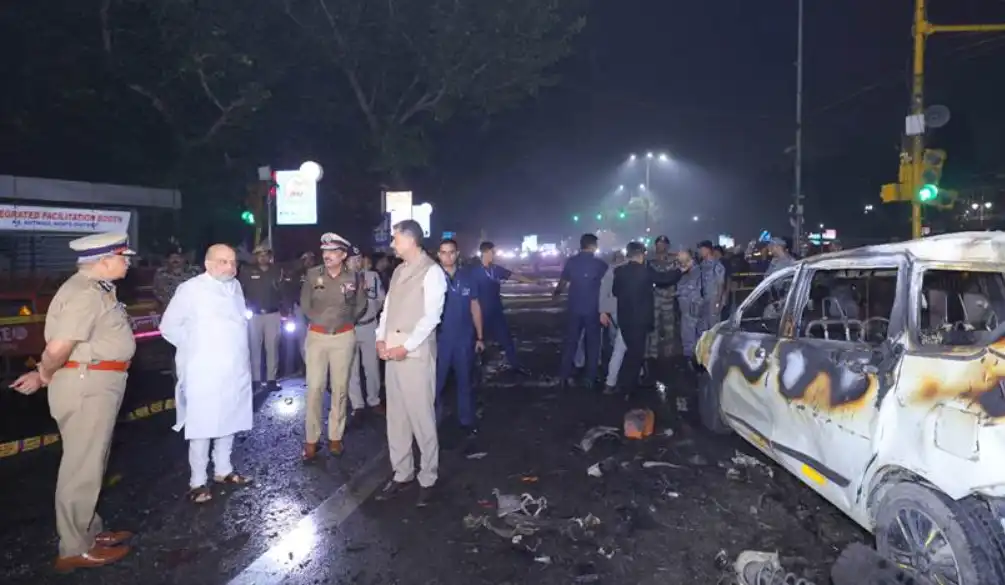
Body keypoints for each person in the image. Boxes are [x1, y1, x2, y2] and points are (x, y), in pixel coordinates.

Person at [9, 233, 137, 570]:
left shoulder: (97, 289)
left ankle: (88, 531)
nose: (128, 262)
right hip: (87, 385)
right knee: (82, 466)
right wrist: (45, 374)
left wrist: (43, 374)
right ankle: (73, 548)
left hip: (96, 381)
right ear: (103, 261)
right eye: (123, 256)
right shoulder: (85, 293)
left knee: (91, 461)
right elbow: (58, 348)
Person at [159, 244, 254, 504]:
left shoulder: (235, 287)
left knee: (230, 419)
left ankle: (223, 470)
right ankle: (197, 482)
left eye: (233, 262)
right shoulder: (190, 290)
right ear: (208, 264)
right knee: (202, 425)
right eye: (223, 262)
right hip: (204, 370)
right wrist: (196, 348)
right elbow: (168, 327)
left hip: (234, 369)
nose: (230, 267)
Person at [374, 220, 447, 507]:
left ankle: (428, 476)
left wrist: (407, 346)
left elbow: (431, 317)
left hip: (414, 355)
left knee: (421, 418)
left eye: (395, 239)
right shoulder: (399, 271)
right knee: (397, 418)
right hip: (393, 352)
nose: (392, 244)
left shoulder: (432, 272)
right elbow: (388, 309)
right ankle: (402, 472)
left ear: (410, 240)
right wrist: (381, 339)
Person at [299, 233, 368, 461]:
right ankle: (311, 440)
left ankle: (335, 437)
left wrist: (345, 322)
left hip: (343, 337)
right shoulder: (312, 275)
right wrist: (319, 320)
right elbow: (305, 304)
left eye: (332, 252)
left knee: (340, 389)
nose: (327, 256)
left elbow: (360, 304)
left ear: (343, 255)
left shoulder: (354, 278)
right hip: (317, 337)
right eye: (325, 252)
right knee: (315, 388)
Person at [613, 242, 682, 397]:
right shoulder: (644, 272)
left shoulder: (619, 272)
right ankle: (625, 388)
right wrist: (680, 270)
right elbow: (664, 279)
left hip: (625, 319)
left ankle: (627, 383)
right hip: (640, 320)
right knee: (635, 354)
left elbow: (615, 291)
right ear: (640, 255)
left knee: (632, 351)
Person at [434, 238, 485, 435]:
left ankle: (466, 420)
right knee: (436, 383)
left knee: (465, 381)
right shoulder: (432, 277)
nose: (448, 256)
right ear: (438, 255)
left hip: (464, 338)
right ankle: (432, 421)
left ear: (457, 254)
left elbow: (475, 306)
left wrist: (480, 337)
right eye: (443, 252)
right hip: (440, 340)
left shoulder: (468, 277)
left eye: (451, 252)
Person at [553, 234, 608, 389]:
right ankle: (589, 378)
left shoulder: (571, 262)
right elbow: (608, 284)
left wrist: (556, 293)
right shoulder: (600, 265)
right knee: (592, 344)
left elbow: (562, 282)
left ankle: (563, 376)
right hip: (592, 309)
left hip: (574, 309)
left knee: (571, 342)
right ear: (593, 246)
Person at [471, 241, 534, 374]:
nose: (494, 255)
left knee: (506, 338)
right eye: (493, 252)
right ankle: (474, 367)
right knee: (478, 340)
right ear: (486, 252)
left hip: (496, 311)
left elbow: (513, 276)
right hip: (481, 313)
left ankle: (515, 365)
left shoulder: (496, 269)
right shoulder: (474, 272)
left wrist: (531, 281)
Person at [347, 246, 386, 419]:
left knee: (372, 367)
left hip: (370, 326)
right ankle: (357, 404)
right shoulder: (341, 279)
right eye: (352, 259)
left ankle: (374, 400)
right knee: (351, 368)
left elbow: (381, 299)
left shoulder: (373, 277)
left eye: (358, 258)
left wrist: (374, 312)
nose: (356, 262)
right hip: (350, 329)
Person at [239, 245, 284, 391]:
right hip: (254, 315)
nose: (263, 257)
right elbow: (240, 291)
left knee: (272, 347)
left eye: (266, 254)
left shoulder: (276, 270)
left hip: (273, 314)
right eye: (259, 254)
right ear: (255, 256)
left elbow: (283, 290)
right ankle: (255, 379)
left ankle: (272, 379)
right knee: (254, 347)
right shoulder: (247, 272)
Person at [647, 235, 680, 363]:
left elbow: (676, 276)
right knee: (653, 326)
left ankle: (669, 353)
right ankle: (653, 353)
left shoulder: (674, 260)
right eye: (659, 244)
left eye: (663, 244)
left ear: (667, 246)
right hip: (654, 298)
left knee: (669, 328)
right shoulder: (650, 260)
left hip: (669, 298)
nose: (661, 246)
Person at [599, 250, 628, 394]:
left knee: (618, 343)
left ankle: (611, 380)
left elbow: (604, 293)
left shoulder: (611, 272)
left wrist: (604, 311)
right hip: (623, 313)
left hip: (615, 312)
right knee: (621, 346)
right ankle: (611, 382)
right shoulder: (625, 272)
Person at [676, 249, 706, 362]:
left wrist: (677, 291)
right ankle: (692, 358)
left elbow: (690, 288)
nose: (681, 264)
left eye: (683, 261)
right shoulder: (684, 271)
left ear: (690, 260)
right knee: (689, 334)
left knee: (692, 334)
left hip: (693, 307)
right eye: (680, 261)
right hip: (687, 309)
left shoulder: (696, 271)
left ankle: (693, 360)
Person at [698, 241, 727, 327]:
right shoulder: (702, 264)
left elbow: (720, 284)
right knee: (704, 326)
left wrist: (718, 302)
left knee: (714, 326)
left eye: (702, 249)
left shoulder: (717, 265)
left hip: (714, 299)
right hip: (704, 299)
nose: (700, 251)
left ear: (708, 250)